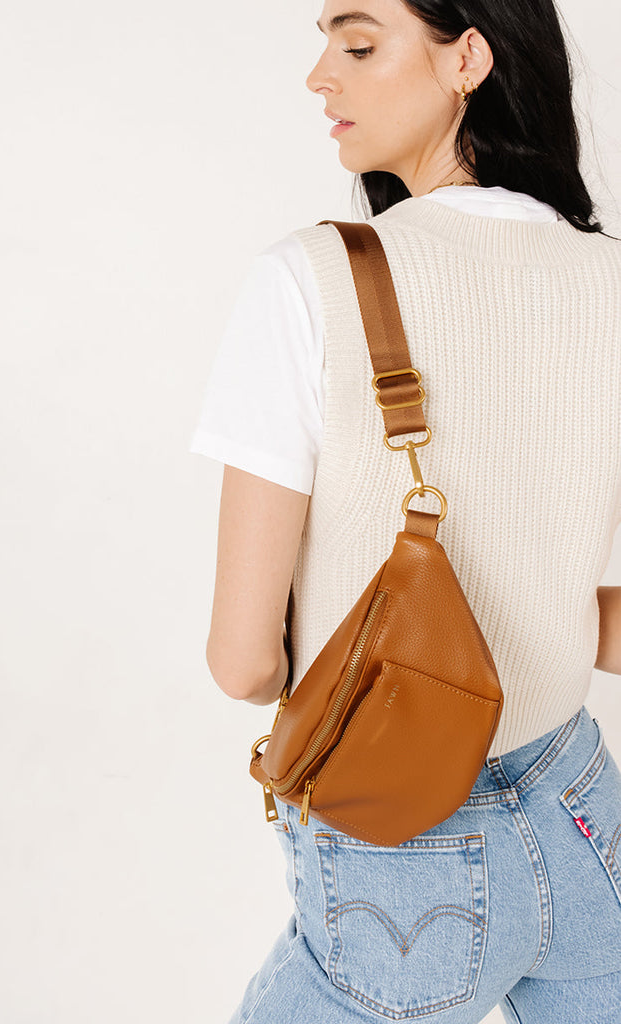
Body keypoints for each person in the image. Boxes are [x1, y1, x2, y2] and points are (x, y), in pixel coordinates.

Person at [189, 0, 621, 1021]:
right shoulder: (609, 279)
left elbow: (243, 663)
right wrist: (538, 619)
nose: (320, 76)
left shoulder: (311, 280)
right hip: (584, 814)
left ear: (468, 57)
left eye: (357, 42)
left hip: (403, 855)